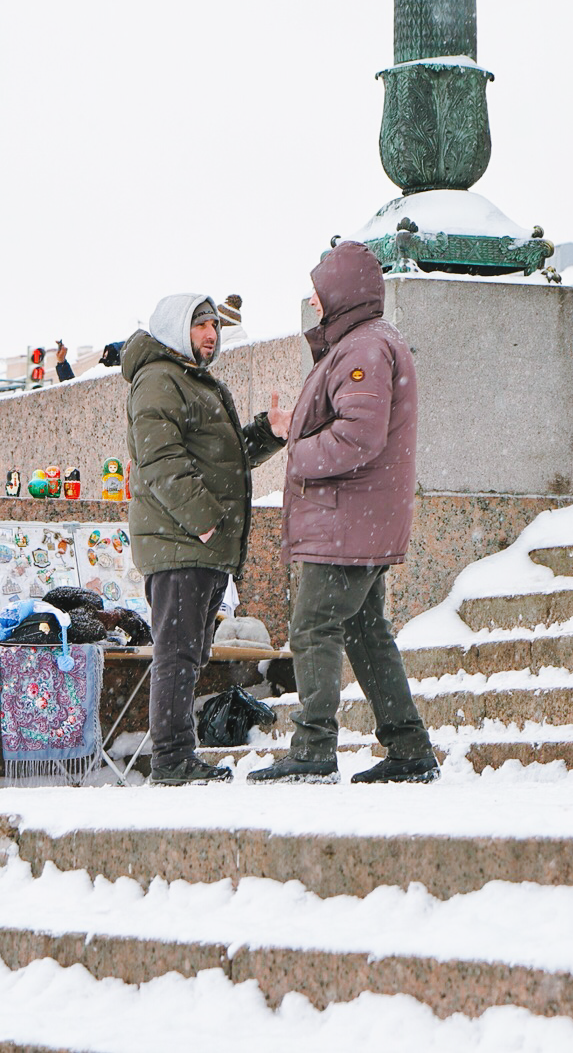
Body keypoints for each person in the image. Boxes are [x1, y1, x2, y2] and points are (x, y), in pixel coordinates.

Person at [249, 240, 438, 786]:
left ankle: (313, 749)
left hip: (347, 520)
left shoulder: (361, 349)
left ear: (341, 292)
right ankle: (408, 747)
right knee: (364, 630)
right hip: (359, 519)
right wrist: (294, 429)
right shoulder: (364, 343)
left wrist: (296, 453)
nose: (312, 302)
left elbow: (359, 434)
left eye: (318, 292)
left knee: (313, 627)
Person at [122, 293, 285, 784]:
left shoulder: (194, 380)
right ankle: (171, 758)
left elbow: (221, 457)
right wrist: (203, 519)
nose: (211, 334)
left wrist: (267, 433)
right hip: (180, 542)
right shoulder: (157, 379)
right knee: (178, 651)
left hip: (201, 544)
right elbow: (160, 459)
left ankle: (179, 754)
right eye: (199, 325)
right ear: (176, 329)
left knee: (192, 649)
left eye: (214, 325)